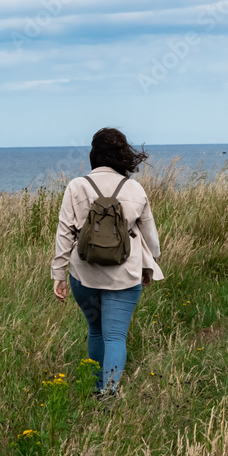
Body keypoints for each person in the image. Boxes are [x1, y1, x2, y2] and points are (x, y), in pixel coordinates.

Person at [51, 127, 165, 398]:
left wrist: (58, 273)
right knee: (116, 336)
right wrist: (148, 266)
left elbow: (64, 231)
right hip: (125, 275)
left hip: (84, 274)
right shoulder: (135, 189)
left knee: (96, 330)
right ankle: (109, 393)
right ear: (122, 155)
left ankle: (94, 387)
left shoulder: (77, 186)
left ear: (94, 154)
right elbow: (152, 239)